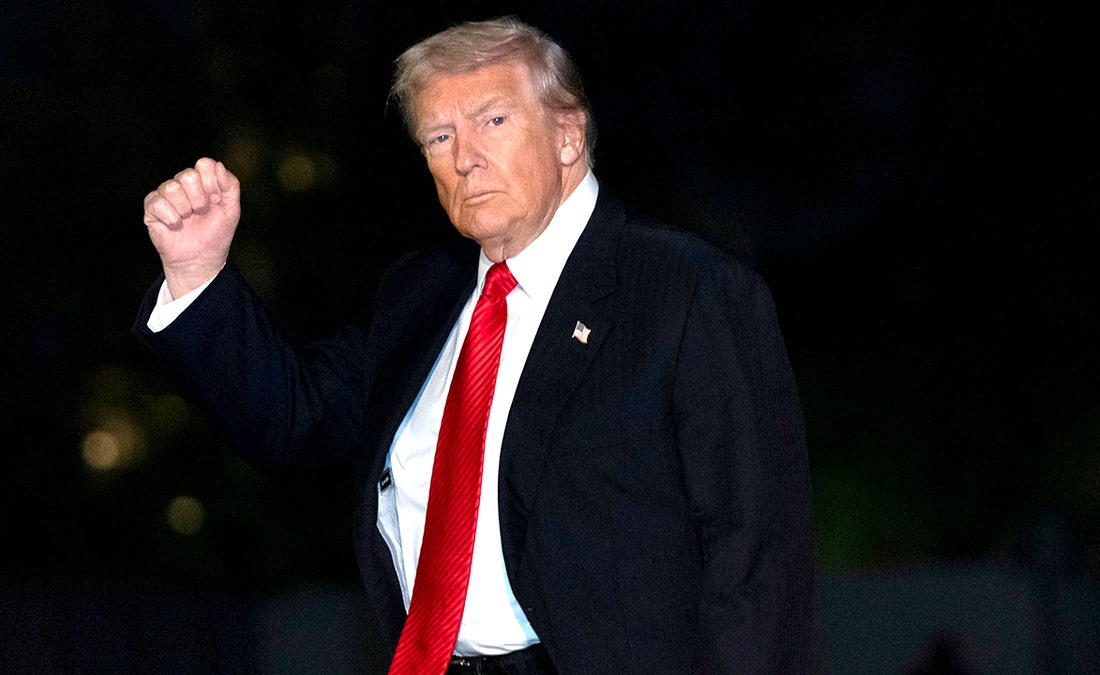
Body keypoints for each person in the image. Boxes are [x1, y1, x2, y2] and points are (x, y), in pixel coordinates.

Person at [136, 16, 822, 674]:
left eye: (493, 120)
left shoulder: (686, 290)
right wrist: (198, 273)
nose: (465, 158)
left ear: (566, 133)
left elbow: (758, 557)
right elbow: (291, 420)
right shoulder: (419, 296)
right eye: (438, 136)